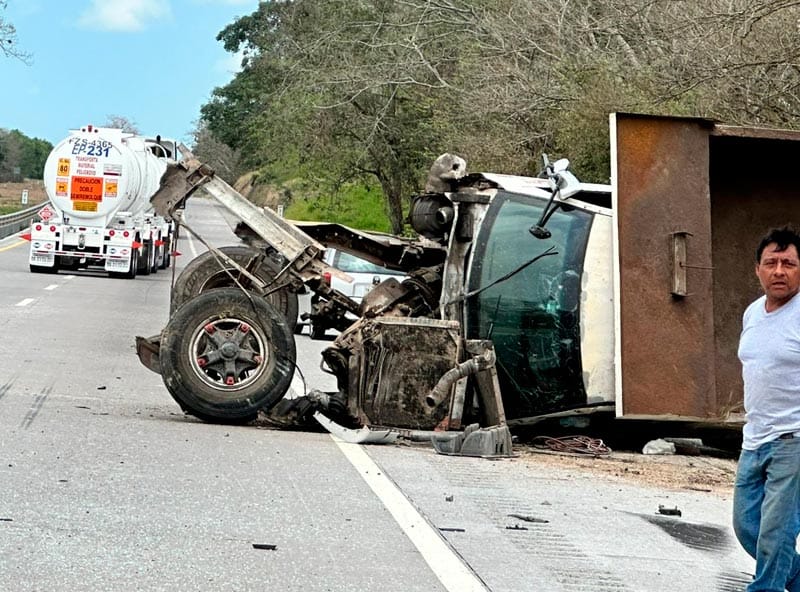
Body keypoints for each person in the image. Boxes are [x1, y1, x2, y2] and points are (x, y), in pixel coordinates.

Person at [734, 226, 800, 591]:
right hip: (754, 439)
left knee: (776, 536)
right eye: (771, 262)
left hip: (794, 440)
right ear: (757, 269)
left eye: (788, 263)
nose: (779, 270)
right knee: (748, 528)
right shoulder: (752, 313)